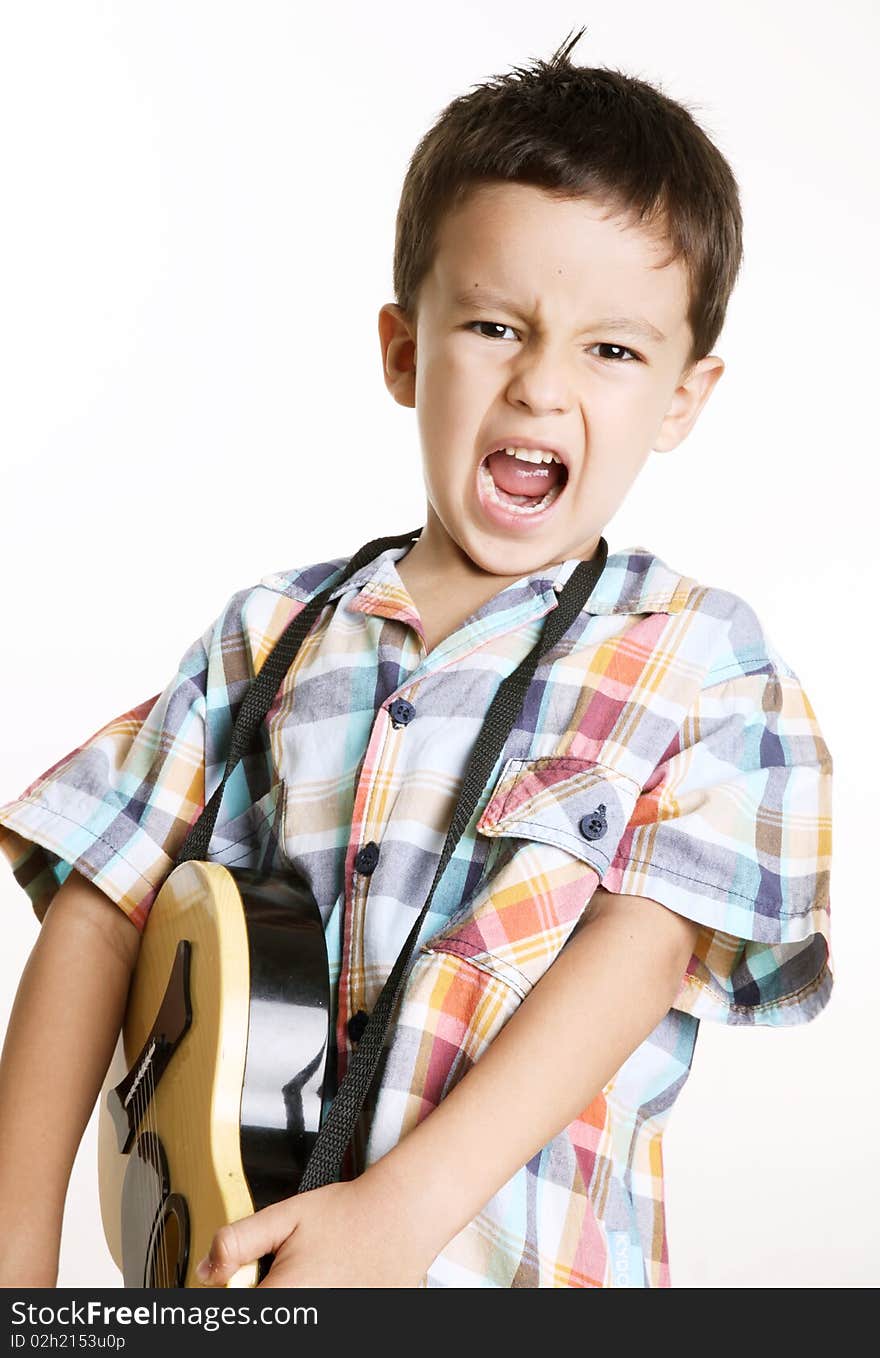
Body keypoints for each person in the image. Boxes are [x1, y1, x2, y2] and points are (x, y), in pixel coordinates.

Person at [0, 27, 833, 1289]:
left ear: (682, 397)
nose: (544, 388)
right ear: (404, 348)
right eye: (497, 326)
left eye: (612, 349)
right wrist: (17, 1259)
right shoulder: (267, 638)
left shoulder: (701, 661)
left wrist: (397, 1212)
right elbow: (98, 902)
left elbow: (645, 947)